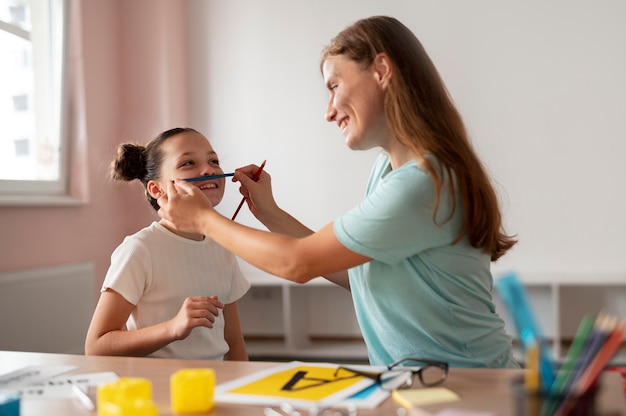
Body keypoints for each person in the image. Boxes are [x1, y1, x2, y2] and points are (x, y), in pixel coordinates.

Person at [157, 16, 519, 368]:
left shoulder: (422, 184)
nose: (329, 113)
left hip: (471, 388)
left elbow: (298, 263)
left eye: (334, 86)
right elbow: (354, 274)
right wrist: (269, 212)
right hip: (425, 389)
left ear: (381, 70)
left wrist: (205, 220)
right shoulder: (387, 171)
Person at [85, 127, 250, 360]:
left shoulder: (222, 245)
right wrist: (173, 328)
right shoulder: (140, 249)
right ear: (156, 189)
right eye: (188, 163)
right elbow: (96, 346)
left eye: (213, 160)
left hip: (215, 387)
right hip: (161, 390)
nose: (208, 170)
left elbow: (233, 342)